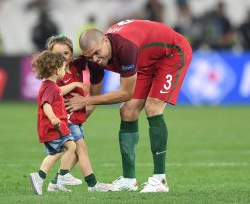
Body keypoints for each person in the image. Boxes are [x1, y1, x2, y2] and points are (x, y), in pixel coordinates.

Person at [66, 19, 193, 193]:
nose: (96, 59)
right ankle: (128, 179)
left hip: (171, 53)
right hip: (145, 61)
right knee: (127, 111)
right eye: (89, 56)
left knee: (152, 107)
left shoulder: (125, 48)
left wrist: (84, 101)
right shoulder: (95, 59)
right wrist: (73, 124)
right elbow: (95, 96)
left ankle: (160, 180)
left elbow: (125, 93)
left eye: (97, 53)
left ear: (105, 40)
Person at [45, 35, 111, 192]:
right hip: (67, 119)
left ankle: (55, 183)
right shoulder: (54, 74)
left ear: (72, 54)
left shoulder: (76, 64)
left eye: (66, 53)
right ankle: (93, 185)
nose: (62, 57)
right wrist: (75, 84)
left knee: (73, 154)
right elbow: (53, 92)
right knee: (81, 150)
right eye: (57, 54)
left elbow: (91, 56)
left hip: (77, 117)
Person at [29, 51, 82, 195]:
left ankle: (47, 177)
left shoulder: (50, 85)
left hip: (56, 127)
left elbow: (60, 90)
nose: (65, 71)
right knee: (67, 148)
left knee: (63, 149)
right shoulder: (50, 88)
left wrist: (75, 84)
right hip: (54, 127)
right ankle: (59, 176)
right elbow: (46, 104)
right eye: (63, 68)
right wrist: (53, 118)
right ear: (56, 70)